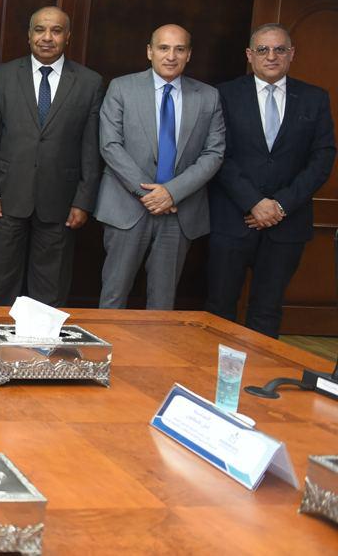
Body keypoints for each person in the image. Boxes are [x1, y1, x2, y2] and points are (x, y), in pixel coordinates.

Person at [205, 24, 334, 337]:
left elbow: (322, 159)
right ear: (250, 55)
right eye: (263, 49)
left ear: (292, 54)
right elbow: (218, 154)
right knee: (219, 309)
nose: (271, 56)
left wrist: (280, 205)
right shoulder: (224, 95)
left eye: (279, 49)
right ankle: (208, 367)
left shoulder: (315, 98)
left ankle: (260, 370)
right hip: (233, 220)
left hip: (287, 224)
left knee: (267, 309)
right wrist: (254, 202)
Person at [0, 7, 104, 307]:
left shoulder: (89, 82)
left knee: (50, 288)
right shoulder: (2, 76)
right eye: (40, 30)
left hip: (61, 201)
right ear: (29, 35)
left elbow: (91, 147)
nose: (47, 37)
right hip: (7, 196)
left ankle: (42, 339)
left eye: (56, 31)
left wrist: (83, 201)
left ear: (68, 37)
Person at [96, 24, 225, 310]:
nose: (171, 56)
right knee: (113, 297)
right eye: (164, 48)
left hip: (179, 212)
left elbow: (214, 153)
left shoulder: (208, 96)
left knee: (163, 303)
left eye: (179, 49)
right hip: (127, 208)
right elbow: (110, 145)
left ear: (189, 55)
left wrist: (171, 193)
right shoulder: (122, 87)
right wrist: (150, 195)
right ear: (149, 51)